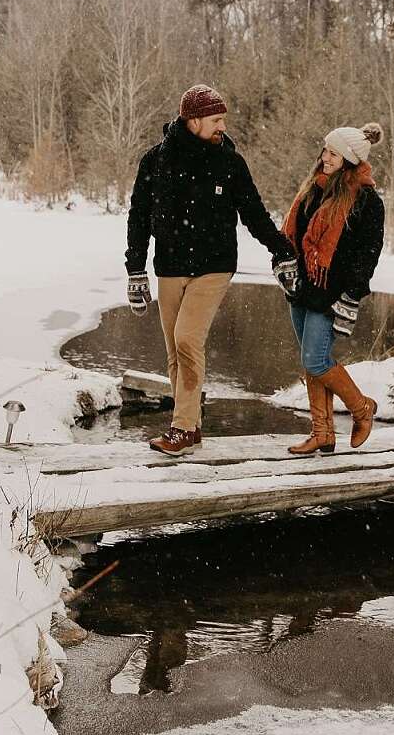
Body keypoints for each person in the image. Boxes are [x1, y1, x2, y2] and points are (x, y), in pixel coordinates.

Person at [125, 84, 299, 456]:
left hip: (214, 266)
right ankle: (192, 427)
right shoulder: (155, 161)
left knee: (187, 339)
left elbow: (254, 213)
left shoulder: (229, 163)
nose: (223, 126)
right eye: (216, 119)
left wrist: (282, 250)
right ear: (193, 120)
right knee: (175, 351)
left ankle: (181, 428)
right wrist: (135, 269)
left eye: (223, 119)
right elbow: (138, 217)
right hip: (169, 266)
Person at [280, 122, 386, 455]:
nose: (325, 157)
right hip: (302, 287)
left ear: (350, 160)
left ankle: (362, 408)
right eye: (325, 150)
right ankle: (322, 434)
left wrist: (351, 295)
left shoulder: (367, 201)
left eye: (333, 154)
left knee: (315, 360)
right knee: (312, 359)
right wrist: (284, 264)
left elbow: (368, 254)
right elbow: (293, 234)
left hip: (331, 292)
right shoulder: (314, 188)